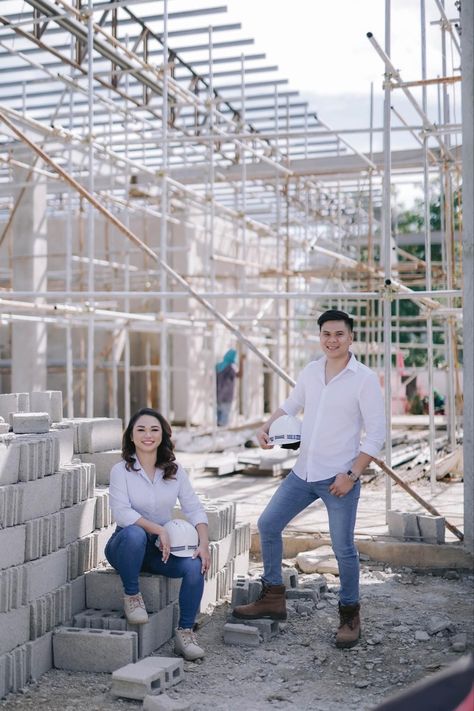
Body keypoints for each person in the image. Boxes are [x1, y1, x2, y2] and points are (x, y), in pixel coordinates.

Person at [233, 309, 385, 649]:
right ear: (320, 337)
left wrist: (351, 474)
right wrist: (266, 426)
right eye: (326, 334)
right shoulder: (311, 372)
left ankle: (349, 614)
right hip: (303, 473)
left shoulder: (363, 379)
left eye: (339, 334)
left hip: (339, 478)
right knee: (268, 524)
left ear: (351, 338)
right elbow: (291, 405)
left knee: (343, 548)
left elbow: (376, 436)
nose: (332, 340)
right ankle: (273, 597)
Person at [105, 407, 210, 661]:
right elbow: (121, 513)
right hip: (124, 545)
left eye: (154, 429)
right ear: (131, 436)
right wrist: (158, 528)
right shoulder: (121, 470)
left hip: (158, 550)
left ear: (163, 435)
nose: (147, 435)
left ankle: (185, 633)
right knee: (135, 535)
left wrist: (203, 543)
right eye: (140, 429)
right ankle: (132, 595)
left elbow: (194, 508)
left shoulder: (174, 471)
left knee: (195, 566)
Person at [215, 348, 244, 427]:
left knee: (219, 416)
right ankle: (222, 434)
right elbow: (239, 375)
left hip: (218, 395)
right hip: (227, 396)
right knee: (224, 418)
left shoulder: (218, 366)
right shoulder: (230, 367)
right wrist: (241, 361)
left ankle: (217, 431)